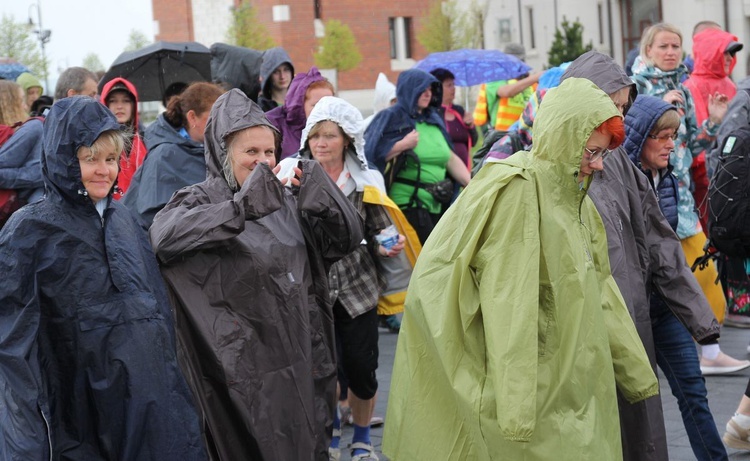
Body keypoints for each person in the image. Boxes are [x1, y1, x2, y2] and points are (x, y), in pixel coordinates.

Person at [382, 77, 657, 460]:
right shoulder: (519, 192)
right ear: (564, 138)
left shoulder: (576, 200)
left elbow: (602, 289)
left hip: (570, 378)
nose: (597, 165)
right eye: (590, 151)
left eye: (602, 154)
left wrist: (636, 373)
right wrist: (515, 408)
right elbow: (510, 301)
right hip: (533, 387)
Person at [149, 89, 364, 461]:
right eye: (251, 152)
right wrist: (239, 209)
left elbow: (346, 240)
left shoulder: (286, 201)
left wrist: (324, 196)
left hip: (299, 361)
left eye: (269, 151)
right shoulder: (199, 199)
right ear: (222, 152)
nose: (263, 161)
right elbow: (163, 237)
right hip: (239, 371)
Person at [0, 96, 206, 460]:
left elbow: (157, 315)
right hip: (79, 408)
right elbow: (15, 340)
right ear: (64, 159)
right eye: (89, 158)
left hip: (146, 403)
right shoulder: (30, 231)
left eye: (110, 159)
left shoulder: (124, 220)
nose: (103, 170)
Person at [279, 95, 407, 461]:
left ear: (347, 139)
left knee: (362, 370)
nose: (321, 143)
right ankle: (332, 435)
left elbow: (381, 229)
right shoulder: (293, 175)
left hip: (357, 289)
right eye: (315, 135)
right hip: (312, 290)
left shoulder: (364, 180)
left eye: (330, 135)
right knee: (324, 372)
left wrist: (387, 246)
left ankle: (363, 439)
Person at [617, 94, 728, 461]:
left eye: (673, 135)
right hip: (630, 311)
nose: (671, 144)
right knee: (638, 406)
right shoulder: (617, 181)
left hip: (663, 306)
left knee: (693, 392)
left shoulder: (666, 177)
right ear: (639, 137)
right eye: (661, 136)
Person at [630, 23, 743, 375]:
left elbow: (693, 145)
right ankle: (650, 359)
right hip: (645, 201)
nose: (670, 52)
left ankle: (708, 353)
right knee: (645, 286)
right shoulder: (635, 88)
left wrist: (714, 123)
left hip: (681, 203)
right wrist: (655, 108)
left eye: (676, 46)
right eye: (663, 46)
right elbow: (628, 143)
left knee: (707, 278)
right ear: (648, 50)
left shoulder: (682, 88)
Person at [364, 68, 470, 244]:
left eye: (430, 89)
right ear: (409, 89)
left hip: (438, 202)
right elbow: (369, 154)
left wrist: (473, 186)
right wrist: (402, 145)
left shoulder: (433, 119)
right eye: (422, 89)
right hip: (408, 203)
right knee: (430, 258)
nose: (428, 94)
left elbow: (450, 158)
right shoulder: (392, 116)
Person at [122, 82, 224, 227]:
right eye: (214, 117)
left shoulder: (218, 150)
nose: (221, 124)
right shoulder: (163, 155)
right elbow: (153, 217)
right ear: (192, 117)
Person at [267, 66, 334, 160]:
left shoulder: (339, 127)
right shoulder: (273, 124)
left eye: (330, 105)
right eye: (316, 105)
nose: (324, 110)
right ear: (300, 105)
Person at [472, 43, 541, 133]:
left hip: (525, 134)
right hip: (500, 136)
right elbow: (506, 92)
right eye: (514, 61)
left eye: (521, 61)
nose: (518, 65)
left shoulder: (530, 81)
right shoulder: (495, 78)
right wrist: (534, 78)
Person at [100, 77, 148, 196]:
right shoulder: (98, 141)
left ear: (133, 105)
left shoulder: (146, 138)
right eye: (113, 101)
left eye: (126, 101)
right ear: (105, 104)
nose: (119, 106)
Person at [0, 80, 44, 206]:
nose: (25, 106)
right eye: (21, 101)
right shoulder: (11, 134)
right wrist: (41, 175)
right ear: (8, 105)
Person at [430, 68, 477, 169]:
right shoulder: (432, 113)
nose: (454, 88)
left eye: (453, 84)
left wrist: (471, 126)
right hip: (445, 170)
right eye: (449, 85)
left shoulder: (459, 110)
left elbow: (474, 141)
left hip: (465, 169)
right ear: (438, 88)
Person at [258, 46, 295, 112]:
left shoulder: (301, 103)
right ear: (268, 75)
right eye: (276, 72)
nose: (282, 76)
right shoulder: (260, 108)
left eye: (286, 70)